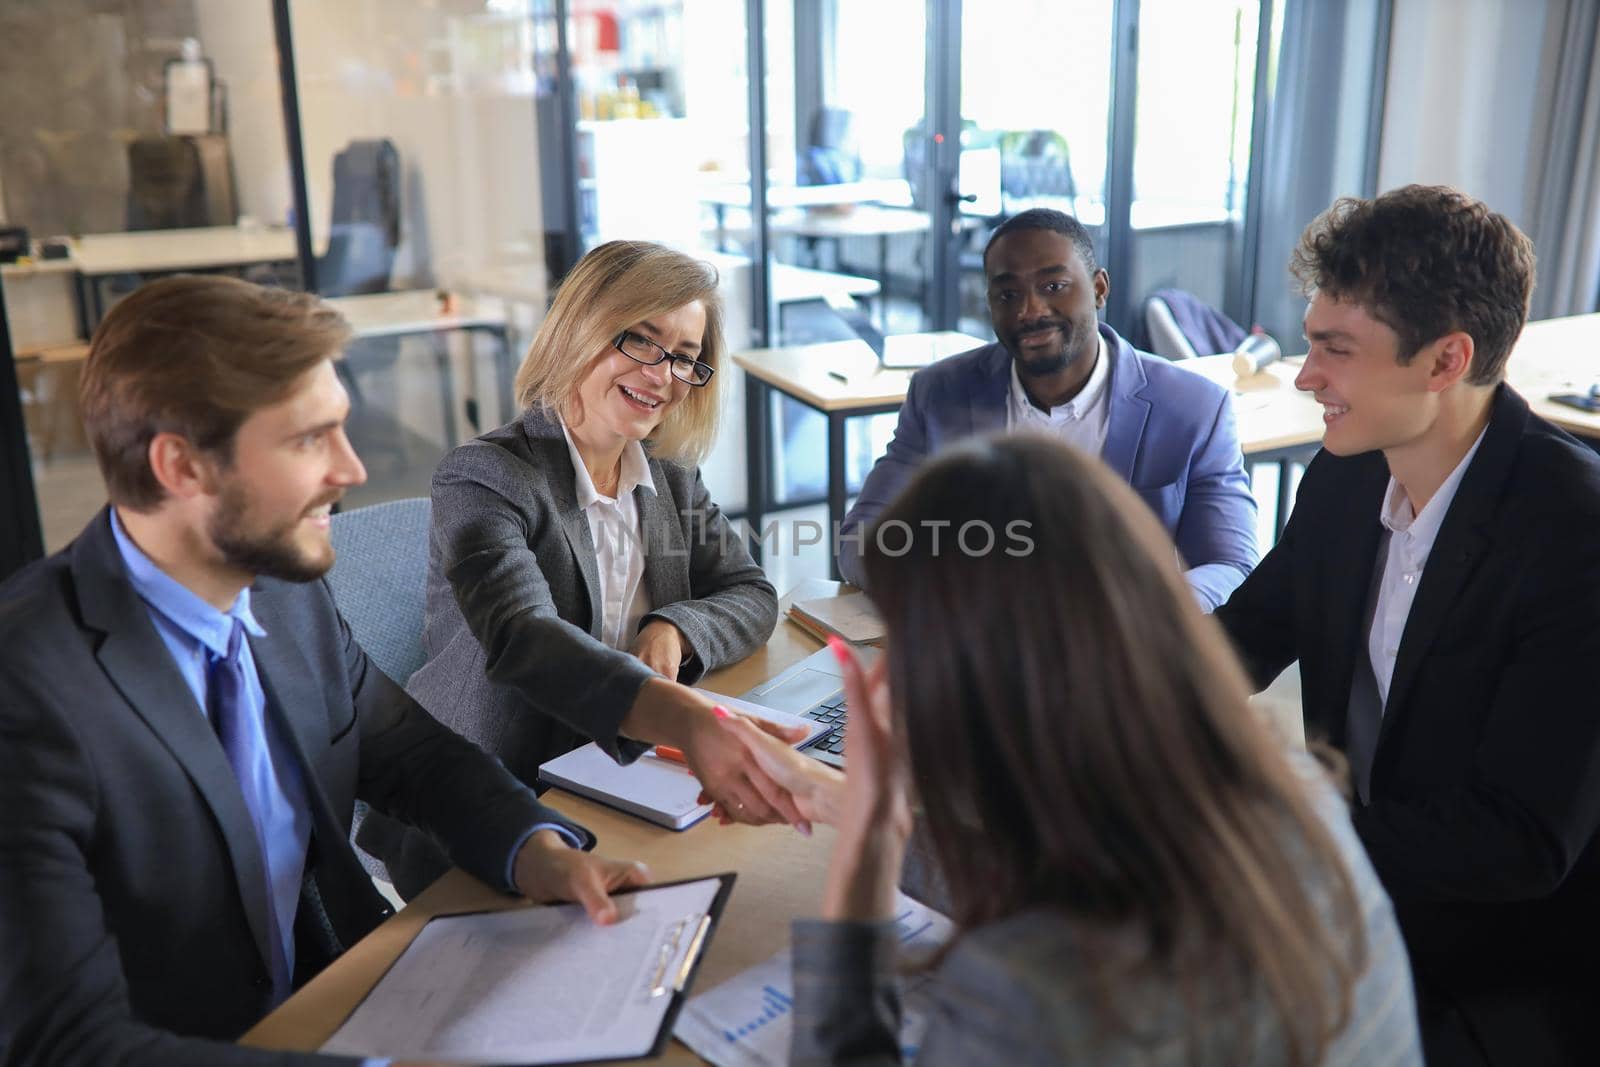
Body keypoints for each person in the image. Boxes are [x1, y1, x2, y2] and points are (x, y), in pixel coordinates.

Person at [0, 276, 650, 1067]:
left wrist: (534, 848)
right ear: (181, 467)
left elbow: (414, 757)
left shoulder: (283, 590)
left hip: (352, 995)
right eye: (310, 439)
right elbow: (67, 1044)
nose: (353, 469)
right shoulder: (27, 690)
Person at [721, 433, 1421, 1066]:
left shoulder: (1019, 990)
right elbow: (1059, 869)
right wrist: (857, 809)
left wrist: (858, 877)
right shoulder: (1294, 796)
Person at [1214, 185, 1600, 1066]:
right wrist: (1074, 691)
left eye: (1335, 350)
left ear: (1444, 361)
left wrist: (1265, 831)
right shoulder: (1348, 477)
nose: (1307, 376)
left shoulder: (1575, 536)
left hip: (1506, 968)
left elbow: (1522, 840)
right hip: (1357, 905)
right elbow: (1244, 634)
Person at [367, 240, 799, 896]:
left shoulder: (667, 475)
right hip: (497, 796)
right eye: (641, 340)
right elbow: (523, 637)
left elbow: (750, 591)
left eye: (684, 357)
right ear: (581, 329)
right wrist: (681, 715)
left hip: (618, 771)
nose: (662, 374)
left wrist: (675, 627)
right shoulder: (487, 475)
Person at [836, 208, 1257, 610]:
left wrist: (1132, 611)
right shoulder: (940, 392)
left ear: (1099, 289)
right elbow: (862, 539)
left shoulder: (1195, 408)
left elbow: (1230, 565)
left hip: (1120, 659)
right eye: (1007, 293)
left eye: (1053, 286)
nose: (1029, 310)